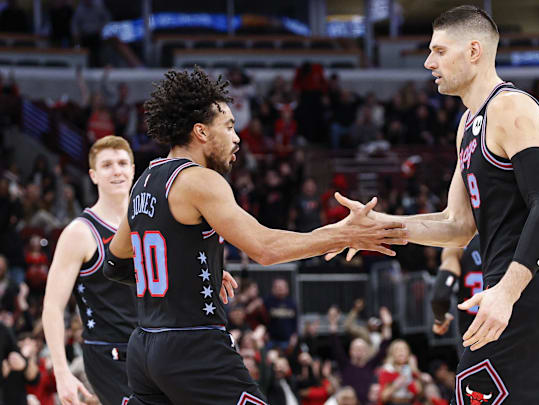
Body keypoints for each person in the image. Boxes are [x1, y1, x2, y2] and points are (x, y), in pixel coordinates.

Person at [328, 6, 539, 404]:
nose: (428, 62)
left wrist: (506, 292)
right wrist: (379, 225)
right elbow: (457, 225)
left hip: (530, 292)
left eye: (439, 51)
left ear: (474, 51)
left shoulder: (511, 106)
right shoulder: (467, 124)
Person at [103, 68, 407, 405]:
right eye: (229, 126)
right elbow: (265, 248)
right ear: (201, 132)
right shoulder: (201, 180)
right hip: (192, 346)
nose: (237, 138)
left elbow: (115, 264)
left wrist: (187, 274)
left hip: (145, 349)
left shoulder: (144, 181)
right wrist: (342, 235)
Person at [41, 136, 137, 405]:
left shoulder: (150, 222)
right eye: (107, 165)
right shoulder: (80, 232)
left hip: (155, 349)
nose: (116, 170)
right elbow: (52, 307)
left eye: (122, 163)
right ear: (93, 175)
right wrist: (61, 372)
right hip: (110, 355)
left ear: (133, 169)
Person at [430, 234, 482, 342]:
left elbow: (440, 295)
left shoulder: (458, 243)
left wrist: (440, 319)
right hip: (510, 329)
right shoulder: (511, 238)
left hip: (471, 334)